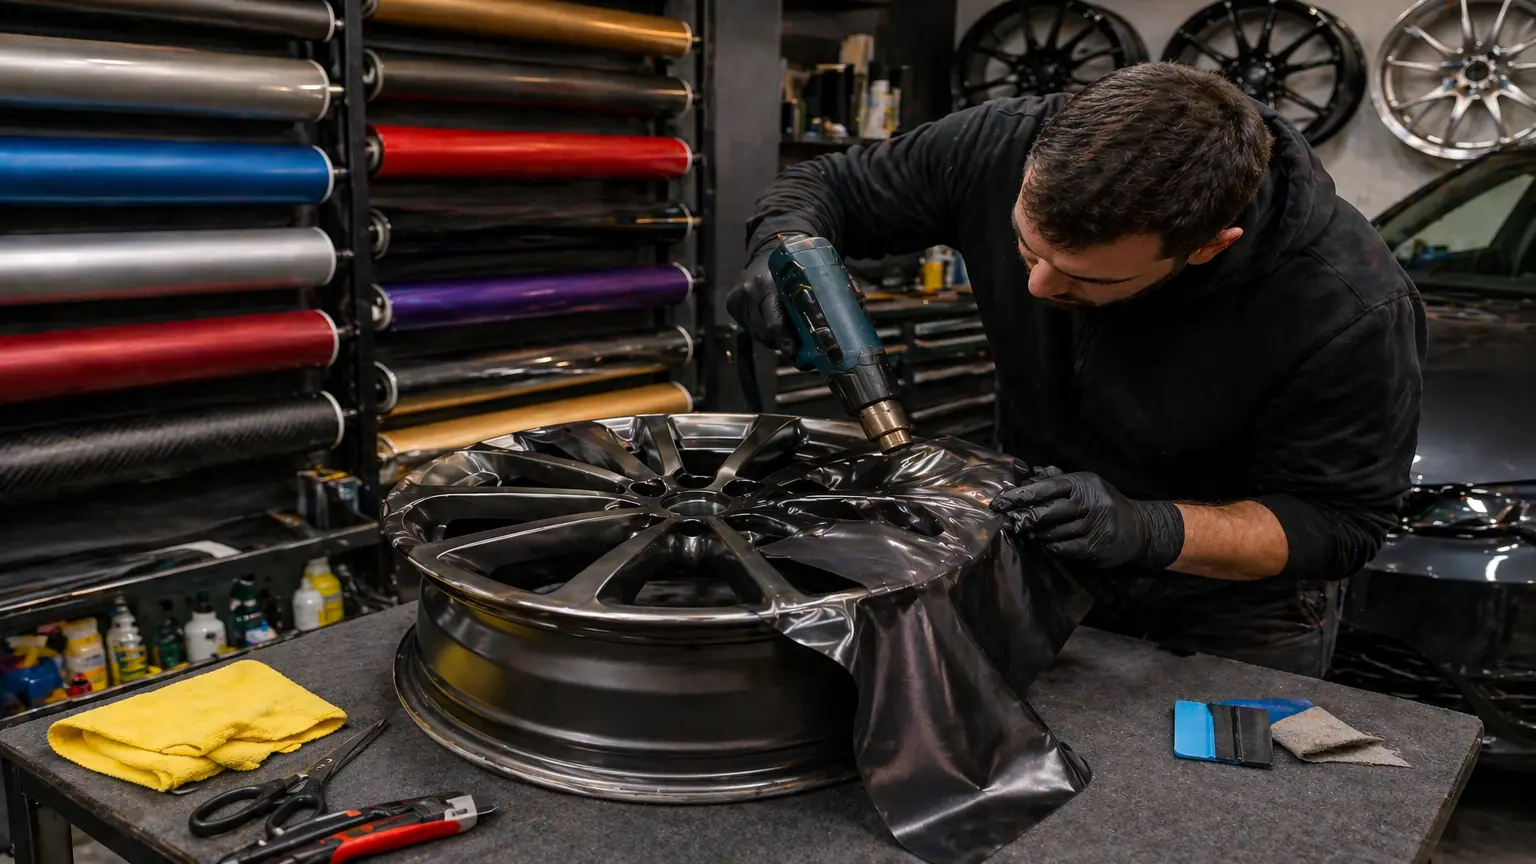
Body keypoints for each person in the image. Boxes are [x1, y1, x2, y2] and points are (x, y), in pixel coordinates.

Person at [727, 63, 1425, 677]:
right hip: (1037, 552)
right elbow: (829, 184)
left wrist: (1147, 529)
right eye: (1027, 251)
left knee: (1204, 816)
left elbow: (1338, 523)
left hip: (1227, 610)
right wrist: (785, 245)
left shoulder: (1348, 308)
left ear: (1209, 247)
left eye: (1085, 279)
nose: (1036, 289)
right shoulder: (1001, 142)